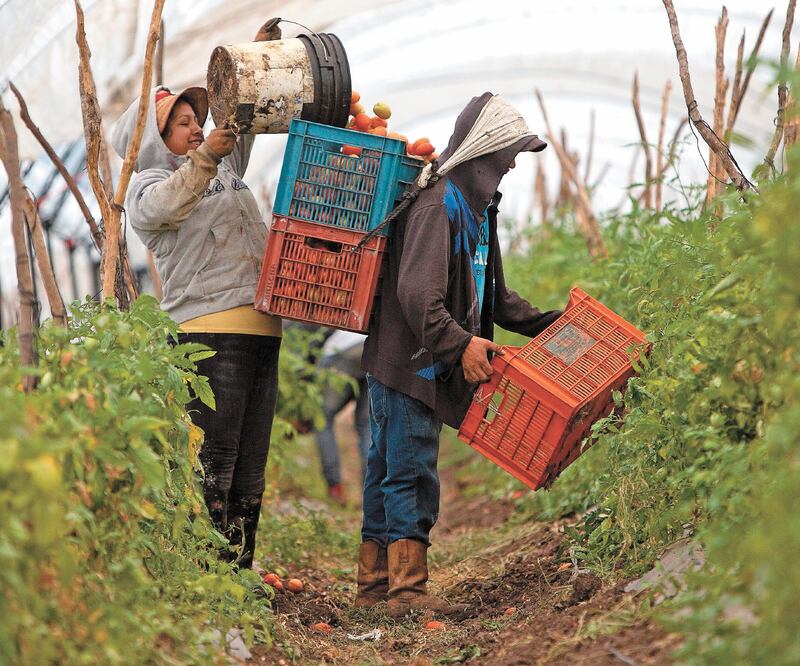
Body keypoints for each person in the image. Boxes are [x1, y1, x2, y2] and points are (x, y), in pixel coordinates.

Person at [355, 93, 563, 616]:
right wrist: (461, 343)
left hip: (422, 360)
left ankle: (376, 586)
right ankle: (406, 592)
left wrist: (557, 326)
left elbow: (495, 298)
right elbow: (417, 297)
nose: (515, 162)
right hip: (408, 362)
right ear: (486, 150)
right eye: (511, 151)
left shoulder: (478, 211)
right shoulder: (436, 205)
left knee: (391, 465)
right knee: (407, 468)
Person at [111, 22, 283, 570]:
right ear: (151, 142)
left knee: (252, 464)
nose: (195, 127)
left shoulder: (223, 166)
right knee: (218, 458)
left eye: (195, 119)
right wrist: (205, 156)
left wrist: (253, 60)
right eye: (180, 123)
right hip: (209, 332)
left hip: (262, 325)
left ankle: (240, 574)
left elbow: (243, 122)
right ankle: (213, 580)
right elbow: (168, 204)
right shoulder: (144, 190)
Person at [314, 330, 370, 503]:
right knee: (367, 425)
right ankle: (371, 492)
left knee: (322, 419)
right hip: (371, 348)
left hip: (341, 353)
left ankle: (334, 486)